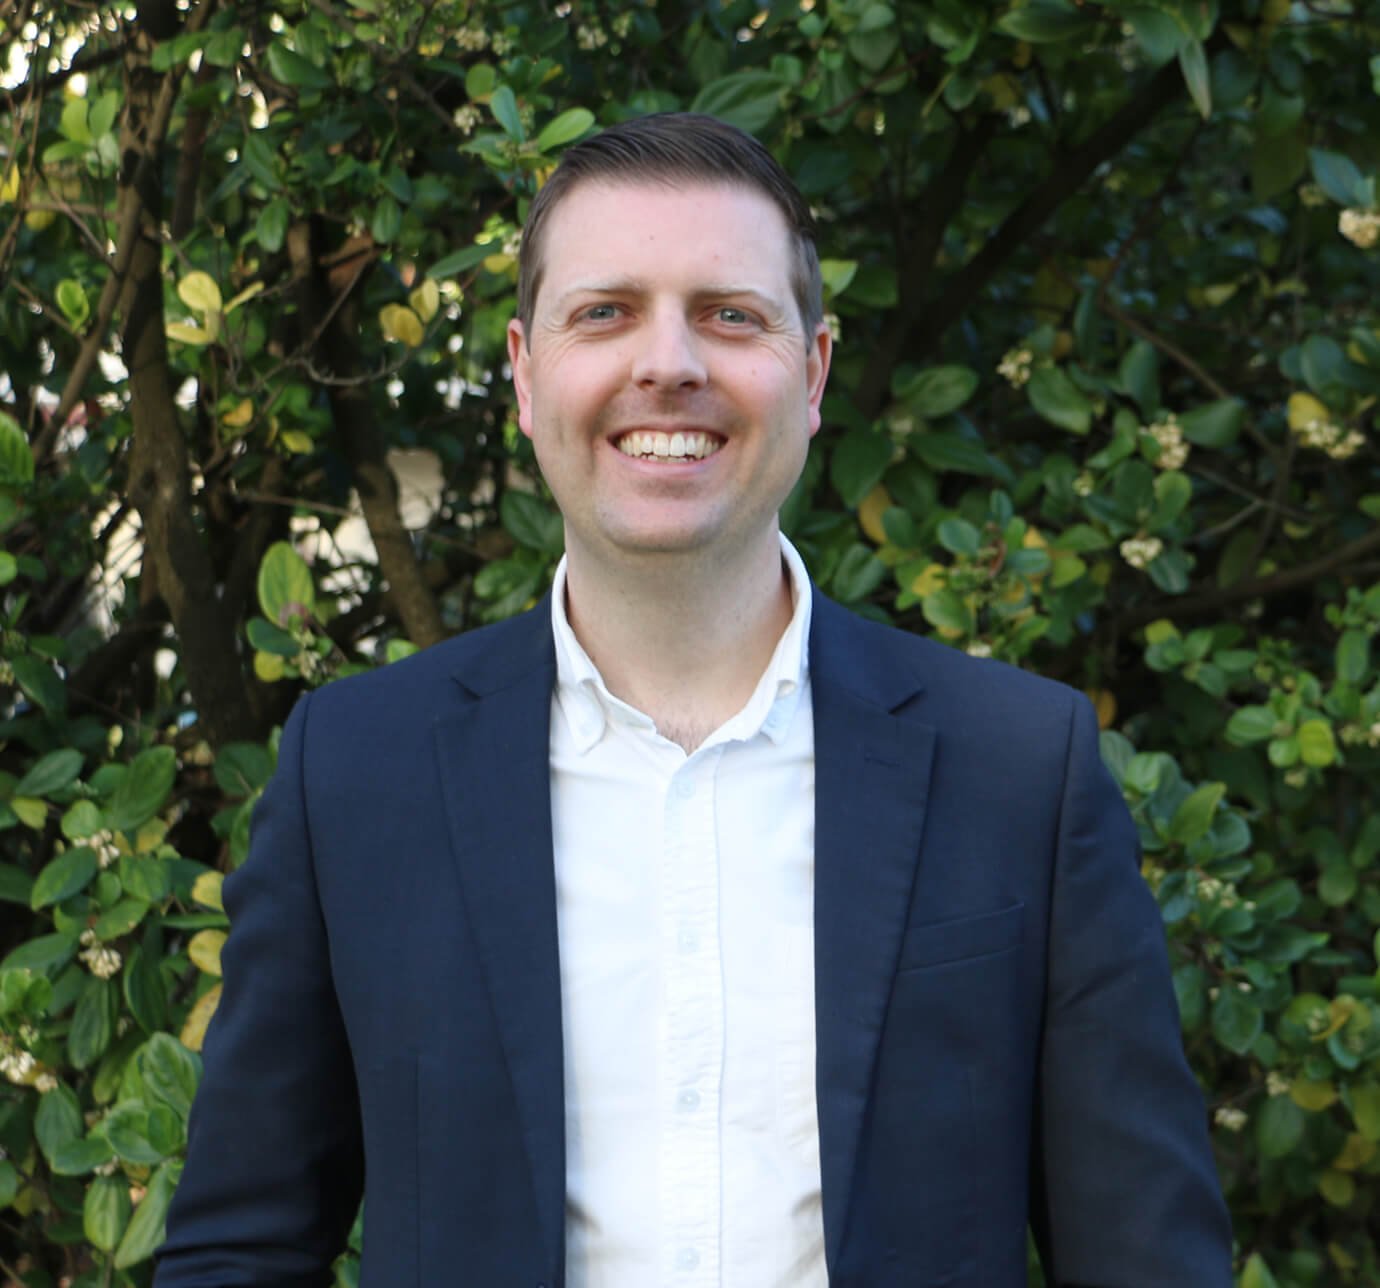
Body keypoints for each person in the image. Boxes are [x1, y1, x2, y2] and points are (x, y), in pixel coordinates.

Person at [155, 113, 1233, 1287]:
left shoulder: (1021, 768)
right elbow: (241, 1249)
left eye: (730, 313)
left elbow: (1146, 1259)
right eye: (605, 312)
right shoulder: (357, 774)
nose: (668, 362)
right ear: (523, 375)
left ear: (812, 374)